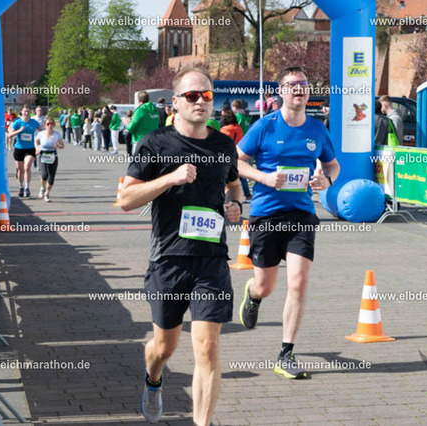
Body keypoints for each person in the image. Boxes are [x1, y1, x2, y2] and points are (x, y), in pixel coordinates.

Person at [119, 67, 242, 425]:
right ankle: (153, 378)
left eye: (207, 95)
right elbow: (126, 199)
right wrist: (170, 178)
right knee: (163, 348)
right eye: (191, 95)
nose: (200, 101)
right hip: (169, 259)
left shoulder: (223, 145)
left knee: (207, 346)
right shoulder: (155, 143)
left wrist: (235, 204)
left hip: (212, 260)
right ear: (175, 102)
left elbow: (233, 184)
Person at [236, 66, 340, 379]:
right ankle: (253, 294)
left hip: (301, 214)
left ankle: (286, 353)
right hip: (266, 214)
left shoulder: (317, 129)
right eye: (292, 84)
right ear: (280, 91)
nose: (299, 88)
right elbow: (236, 161)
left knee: (298, 281)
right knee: (266, 286)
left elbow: (332, 165)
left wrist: (326, 182)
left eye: (303, 84)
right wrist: (263, 177)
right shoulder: (264, 126)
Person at [7, 104, 42, 197]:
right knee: (20, 170)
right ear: (21, 112)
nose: (26, 113)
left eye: (28, 111)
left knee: (27, 167)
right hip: (19, 148)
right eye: (25, 111)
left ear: (30, 113)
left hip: (30, 148)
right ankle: (21, 187)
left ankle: (27, 188)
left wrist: (40, 143)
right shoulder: (17, 122)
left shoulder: (34, 122)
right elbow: (10, 135)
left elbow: (41, 131)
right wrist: (19, 131)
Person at [221, 110, 251, 202]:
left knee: (225, 178)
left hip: (226, 156)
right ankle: (248, 195)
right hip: (237, 155)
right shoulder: (239, 129)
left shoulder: (224, 130)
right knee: (241, 178)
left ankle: (226, 196)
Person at [34, 117, 64, 203]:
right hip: (43, 155)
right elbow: (36, 141)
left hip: (53, 156)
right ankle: (42, 187)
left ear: (54, 125)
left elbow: (62, 146)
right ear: (45, 125)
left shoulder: (57, 134)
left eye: (51, 124)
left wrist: (59, 146)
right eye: (48, 124)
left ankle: (47, 194)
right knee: (44, 175)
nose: (50, 125)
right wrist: (37, 148)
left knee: (51, 177)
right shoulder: (41, 134)